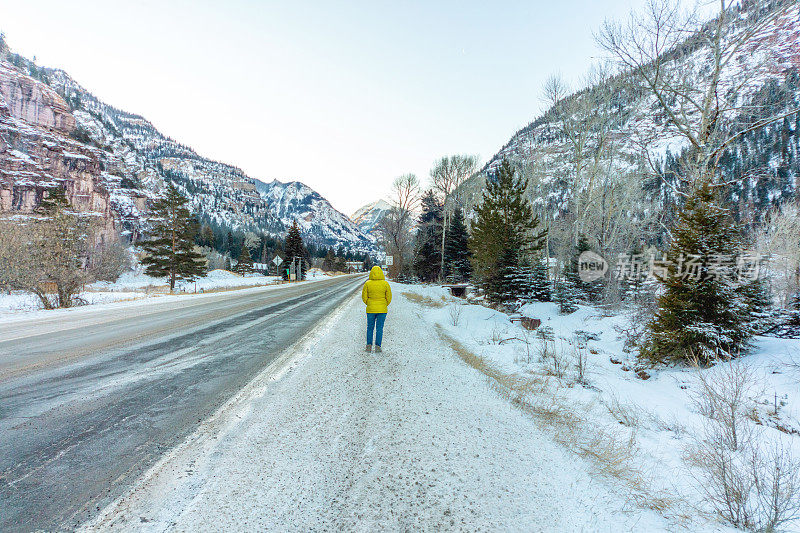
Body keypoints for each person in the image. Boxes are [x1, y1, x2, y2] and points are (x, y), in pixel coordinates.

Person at [361, 266, 392, 353]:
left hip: (370, 309)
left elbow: (364, 297)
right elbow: (389, 297)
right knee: (380, 328)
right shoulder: (385, 284)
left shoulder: (367, 283)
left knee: (370, 328)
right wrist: (384, 304)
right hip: (382, 310)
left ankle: (368, 346)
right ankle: (378, 347)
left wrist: (369, 303)